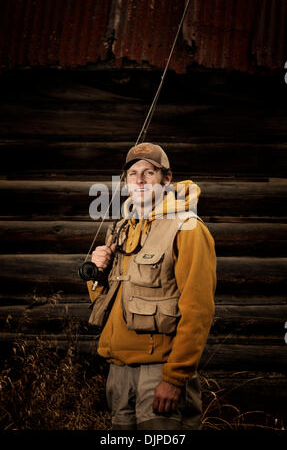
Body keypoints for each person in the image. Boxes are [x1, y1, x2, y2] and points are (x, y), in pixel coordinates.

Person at [87, 142, 217, 430]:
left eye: (149, 172)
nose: (141, 180)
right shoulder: (122, 228)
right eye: (133, 173)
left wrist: (174, 378)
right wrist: (97, 272)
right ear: (126, 181)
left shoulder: (187, 229)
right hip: (118, 371)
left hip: (159, 372)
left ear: (166, 179)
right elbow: (107, 300)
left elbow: (198, 310)